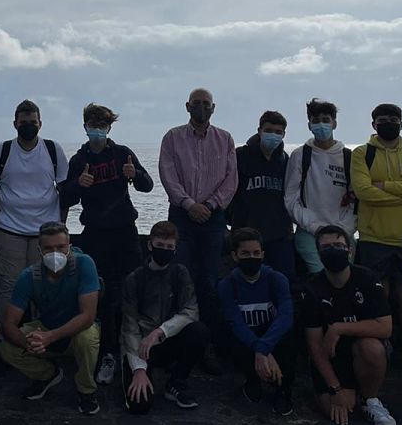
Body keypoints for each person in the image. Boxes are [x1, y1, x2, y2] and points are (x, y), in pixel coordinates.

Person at [59, 103, 154, 386]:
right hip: (95, 235)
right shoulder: (78, 160)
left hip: (125, 232)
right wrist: (80, 184)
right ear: (85, 126)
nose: (97, 130)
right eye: (92, 125)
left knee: (131, 292)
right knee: (100, 296)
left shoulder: (122, 153)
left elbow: (147, 185)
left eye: (102, 125)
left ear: (110, 127)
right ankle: (107, 353)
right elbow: (66, 197)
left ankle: (134, 351)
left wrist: (133, 174)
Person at [158, 88, 238, 370]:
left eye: (206, 104)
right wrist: (190, 204)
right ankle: (173, 342)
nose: (201, 108)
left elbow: (231, 180)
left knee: (209, 282)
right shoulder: (172, 137)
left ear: (213, 108)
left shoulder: (225, 139)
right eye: (196, 104)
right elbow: (167, 175)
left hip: (214, 219)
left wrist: (211, 205)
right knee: (177, 278)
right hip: (181, 216)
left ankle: (207, 346)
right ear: (187, 106)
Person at [299, 226, 396, 425]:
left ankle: (371, 399)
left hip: (360, 348)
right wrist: (335, 388)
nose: (333, 251)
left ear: (350, 250)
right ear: (318, 254)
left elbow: (385, 327)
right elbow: (315, 346)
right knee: (338, 408)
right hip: (331, 355)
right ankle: (346, 391)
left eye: (338, 246)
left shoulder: (367, 278)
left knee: (371, 347)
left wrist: (339, 328)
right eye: (326, 248)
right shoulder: (312, 288)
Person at [0, 223, 102, 415]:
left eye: (60, 247)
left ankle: (86, 389)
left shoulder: (84, 264)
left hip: (77, 328)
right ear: (39, 250)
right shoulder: (28, 276)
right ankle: (47, 374)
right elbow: (9, 323)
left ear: (69, 246)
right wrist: (29, 344)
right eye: (48, 248)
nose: (55, 253)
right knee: (7, 348)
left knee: (86, 338)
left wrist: (51, 337)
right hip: (46, 326)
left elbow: (88, 315)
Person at [350, 104, 402, 334]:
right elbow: (363, 192)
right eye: (383, 119)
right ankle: (380, 350)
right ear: (374, 124)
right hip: (373, 238)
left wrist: (385, 187)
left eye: (393, 119)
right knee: (378, 298)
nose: (389, 123)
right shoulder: (361, 153)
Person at [0, 101, 69, 326]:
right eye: (24, 122)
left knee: (44, 285)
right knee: (10, 286)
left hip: (46, 231)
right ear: (15, 124)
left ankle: (43, 338)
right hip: (8, 229)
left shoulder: (53, 150)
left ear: (40, 123)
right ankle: (7, 338)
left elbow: (64, 190)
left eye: (33, 122)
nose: (28, 126)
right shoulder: (0, 151)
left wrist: (61, 225)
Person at [121, 221, 209, 414]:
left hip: (168, 339)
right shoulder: (134, 279)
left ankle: (176, 381)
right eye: (160, 246)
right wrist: (139, 369)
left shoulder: (180, 273)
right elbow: (129, 327)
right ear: (150, 245)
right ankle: (140, 372)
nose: (164, 250)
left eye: (169, 247)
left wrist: (161, 332)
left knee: (198, 331)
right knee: (139, 405)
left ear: (176, 249)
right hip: (141, 346)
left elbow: (190, 311)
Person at [218, 227, 296, 416]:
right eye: (245, 253)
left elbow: (286, 316)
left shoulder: (277, 279)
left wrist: (264, 348)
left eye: (255, 253)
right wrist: (260, 349)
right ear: (235, 256)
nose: (251, 257)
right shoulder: (226, 285)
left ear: (262, 254)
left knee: (289, 337)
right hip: (247, 338)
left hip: (271, 335)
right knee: (233, 337)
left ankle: (283, 389)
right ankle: (252, 380)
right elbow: (235, 323)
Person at [284, 98, 356, 276]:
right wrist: (315, 227)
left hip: (343, 233)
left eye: (326, 120)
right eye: (316, 121)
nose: (321, 125)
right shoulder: (300, 155)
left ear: (334, 123)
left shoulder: (349, 157)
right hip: (309, 234)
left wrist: (343, 229)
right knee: (321, 278)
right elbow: (291, 198)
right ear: (309, 125)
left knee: (345, 278)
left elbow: (357, 199)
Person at [228, 110, 293, 280]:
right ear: (259, 130)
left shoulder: (285, 160)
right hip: (245, 235)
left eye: (278, 132)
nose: (273, 135)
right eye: (269, 130)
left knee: (283, 281)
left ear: (284, 134)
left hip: (279, 235)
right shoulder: (240, 156)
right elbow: (227, 191)